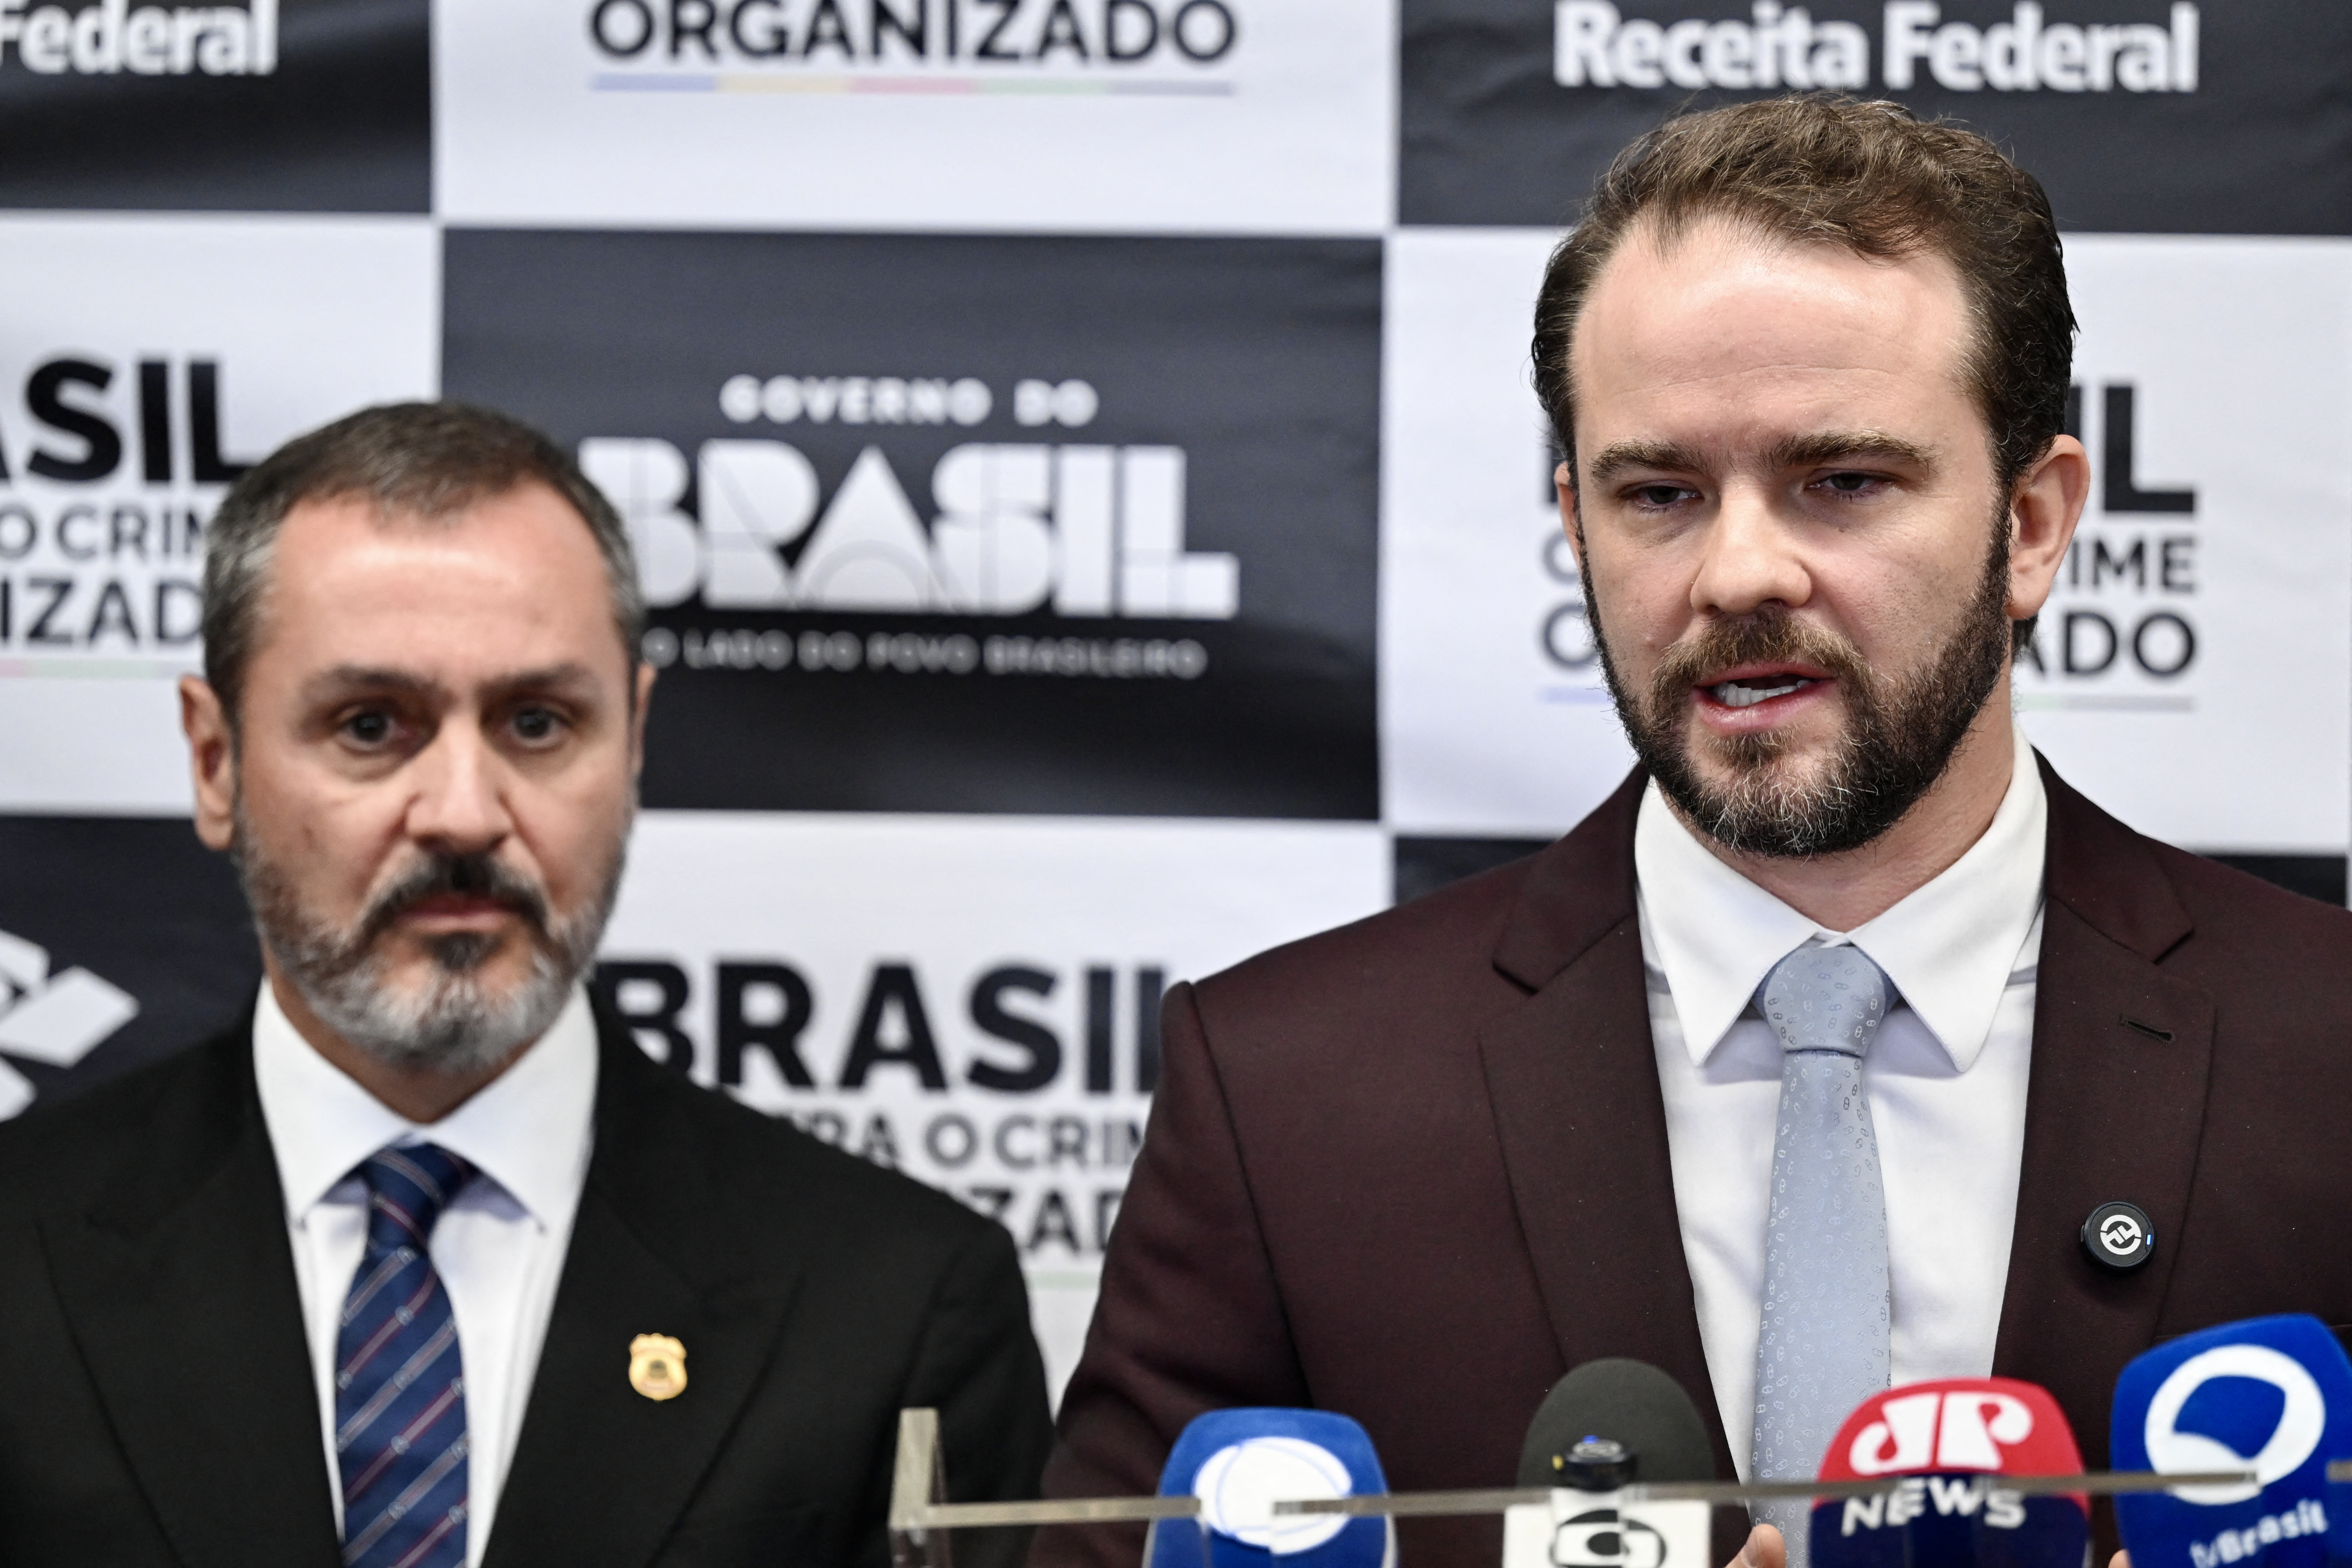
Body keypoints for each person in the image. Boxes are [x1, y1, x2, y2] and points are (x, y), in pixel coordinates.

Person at [1035, 95, 2352, 1568]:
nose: (1737, 570)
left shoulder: (2330, 1050)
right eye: (1660, 493)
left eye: (1842, 481)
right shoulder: (1284, 1100)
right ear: (1576, 523)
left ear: (2034, 523)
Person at [0, 403, 1053, 1568]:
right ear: (216, 762)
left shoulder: (897, 1306)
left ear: (634, 744)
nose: (463, 811)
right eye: (370, 726)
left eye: (539, 723)